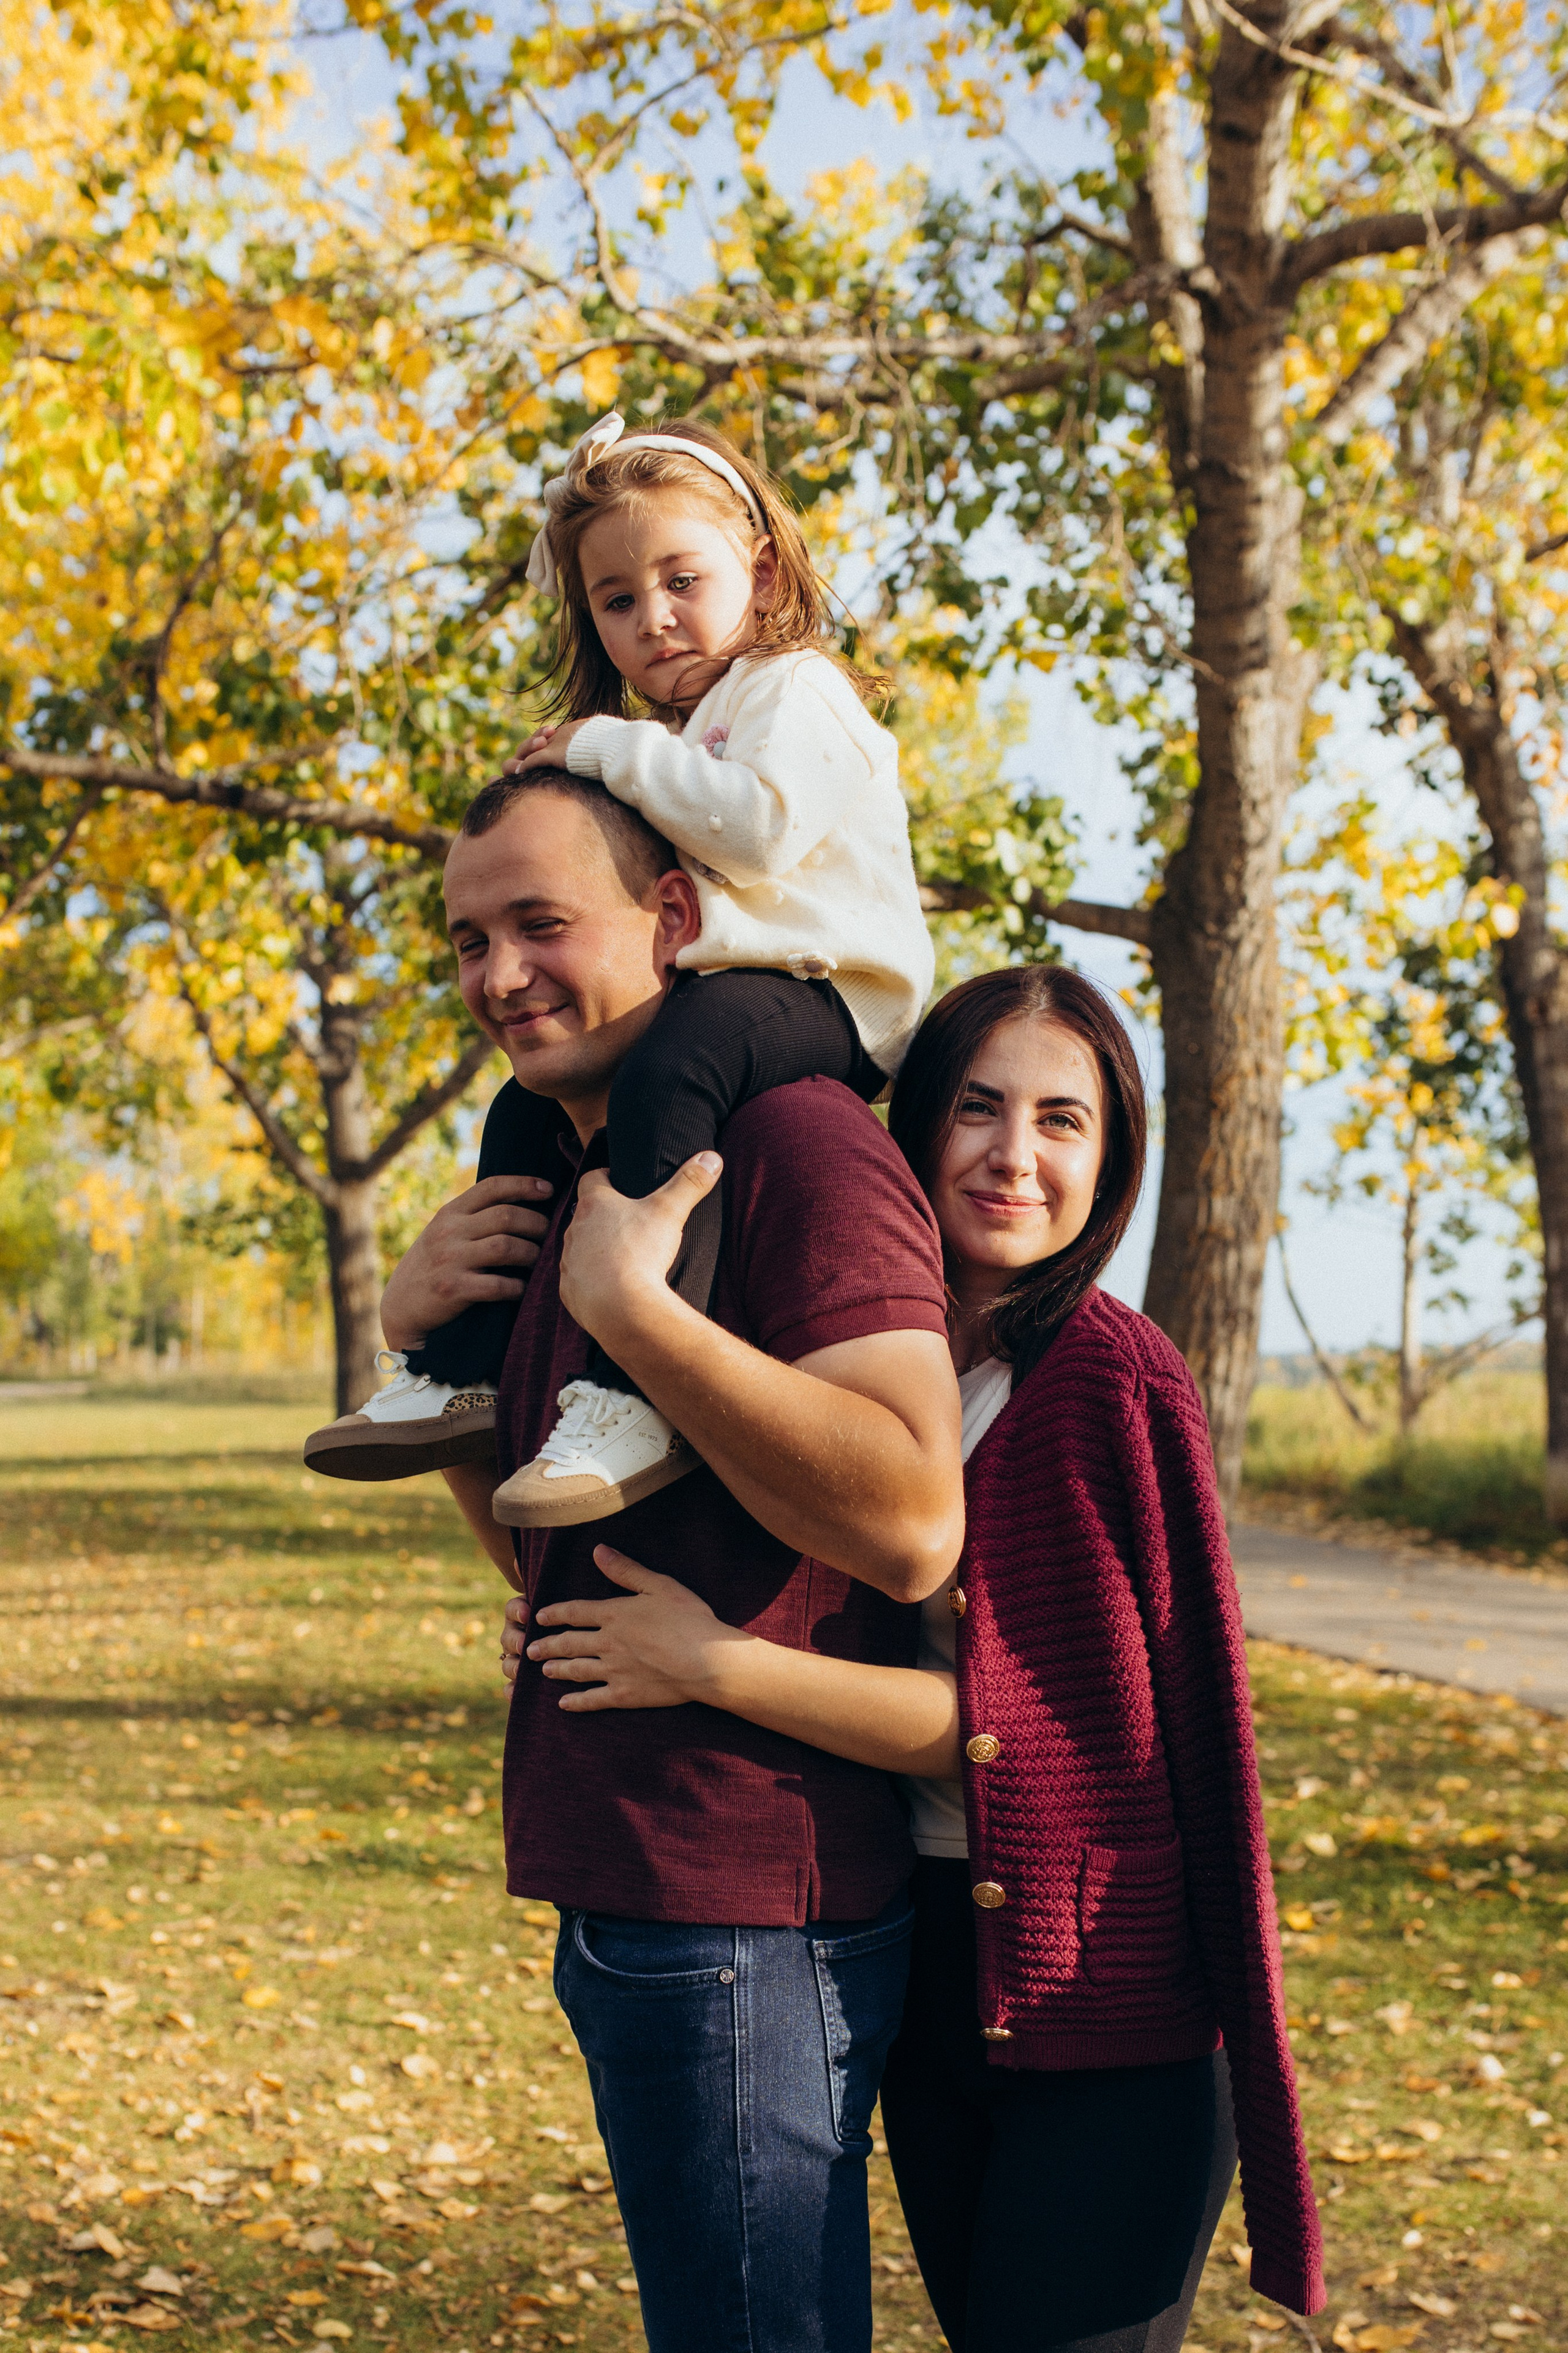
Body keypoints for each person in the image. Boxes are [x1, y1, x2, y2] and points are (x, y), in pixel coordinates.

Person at [503, 965, 1327, 2352]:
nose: (1016, 1156)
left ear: (1111, 1158)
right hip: (921, 1980)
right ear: (915, 1125)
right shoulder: (828, 1352)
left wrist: (712, 1664)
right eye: (978, 1110)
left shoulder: (1107, 1385)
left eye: (1062, 1121)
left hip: (1098, 2019)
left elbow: (1051, 1746)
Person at [372, 761, 967, 2353]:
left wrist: (636, 1311)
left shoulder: (795, 1148)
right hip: (633, 1884)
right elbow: (542, 1552)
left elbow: (915, 1520)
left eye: (544, 923)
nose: (498, 975)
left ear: (679, 917)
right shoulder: (577, 1178)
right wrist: (424, 1345)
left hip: (746, 1908)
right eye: (466, 938)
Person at [304, 408, 933, 1524]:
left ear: (763, 561)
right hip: (745, 978)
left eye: (682, 579)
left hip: (834, 989)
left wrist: (600, 746)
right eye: (618, 601)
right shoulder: (691, 727)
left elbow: (756, 835)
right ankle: (463, 1370)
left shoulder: (797, 689)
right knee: (518, 1115)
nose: (655, 620)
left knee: (664, 1080)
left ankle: (631, 1383)